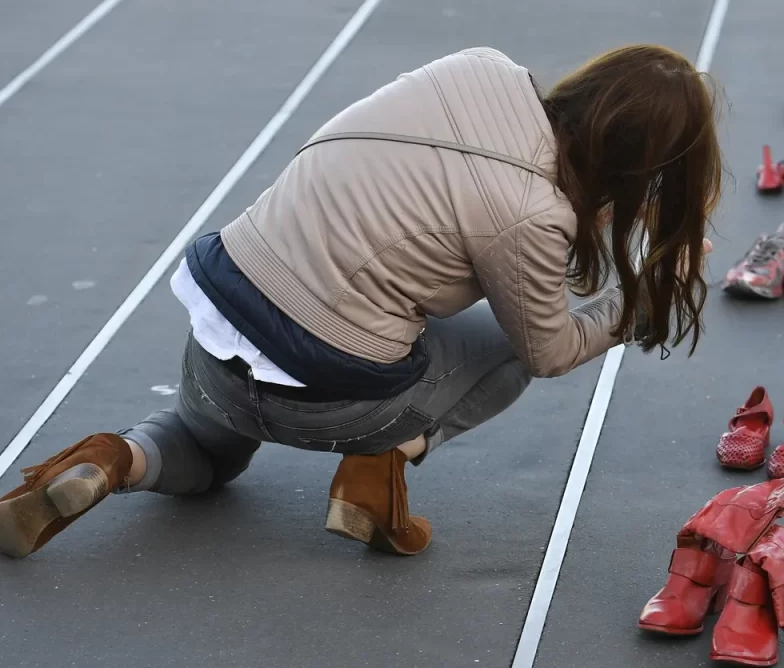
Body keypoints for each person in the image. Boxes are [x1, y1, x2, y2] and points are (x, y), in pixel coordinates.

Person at [0, 45, 722, 559]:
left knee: (204, 450)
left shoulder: (475, 69)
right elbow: (550, 350)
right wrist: (635, 307)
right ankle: (385, 455)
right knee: (515, 346)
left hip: (223, 322)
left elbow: (458, 191)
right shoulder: (534, 216)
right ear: (645, 171)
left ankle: (112, 461)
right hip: (332, 399)